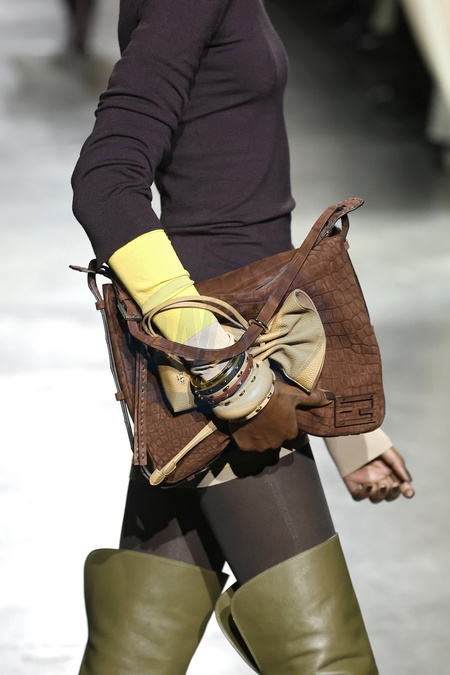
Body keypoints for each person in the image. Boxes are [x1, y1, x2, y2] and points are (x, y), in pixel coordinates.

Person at [71, 1, 414, 673]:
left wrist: (339, 422)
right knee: (327, 660)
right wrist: (228, 376)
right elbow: (104, 183)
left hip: (230, 365)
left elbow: (241, 209)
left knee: (137, 653)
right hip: (223, 379)